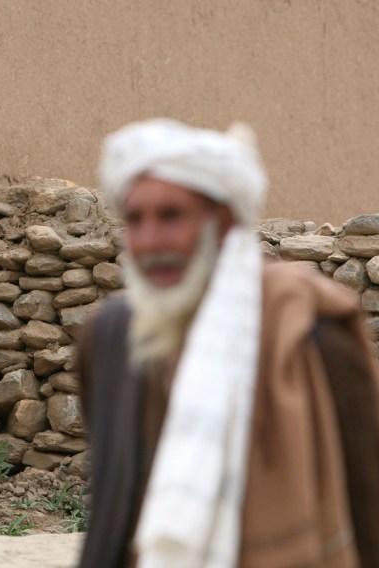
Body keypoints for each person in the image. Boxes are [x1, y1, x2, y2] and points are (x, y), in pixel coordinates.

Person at [76, 118, 379, 567]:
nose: (150, 241)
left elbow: (367, 506)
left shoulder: (313, 336)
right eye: (135, 220)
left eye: (171, 216)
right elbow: (114, 506)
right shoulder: (110, 339)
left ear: (222, 223)